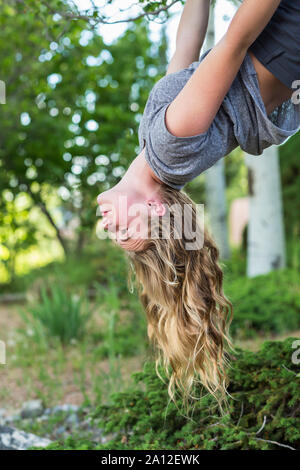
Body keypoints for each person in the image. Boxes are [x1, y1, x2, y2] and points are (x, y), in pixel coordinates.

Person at [97, 0, 300, 408]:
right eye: (123, 230)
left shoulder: (152, 147)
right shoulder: (169, 148)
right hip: (281, 38)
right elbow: (234, 43)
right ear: (154, 210)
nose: (107, 227)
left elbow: (184, 53)